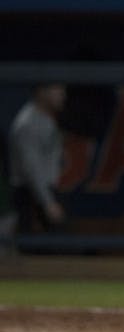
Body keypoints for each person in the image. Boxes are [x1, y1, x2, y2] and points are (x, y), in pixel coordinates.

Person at [7, 83, 67, 235]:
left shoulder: (47, 119)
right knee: (36, 250)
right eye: (57, 89)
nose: (63, 95)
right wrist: (48, 203)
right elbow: (32, 169)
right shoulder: (27, 123)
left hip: (44, 192)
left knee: (60, 248)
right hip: (32, 195)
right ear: (42, 92)